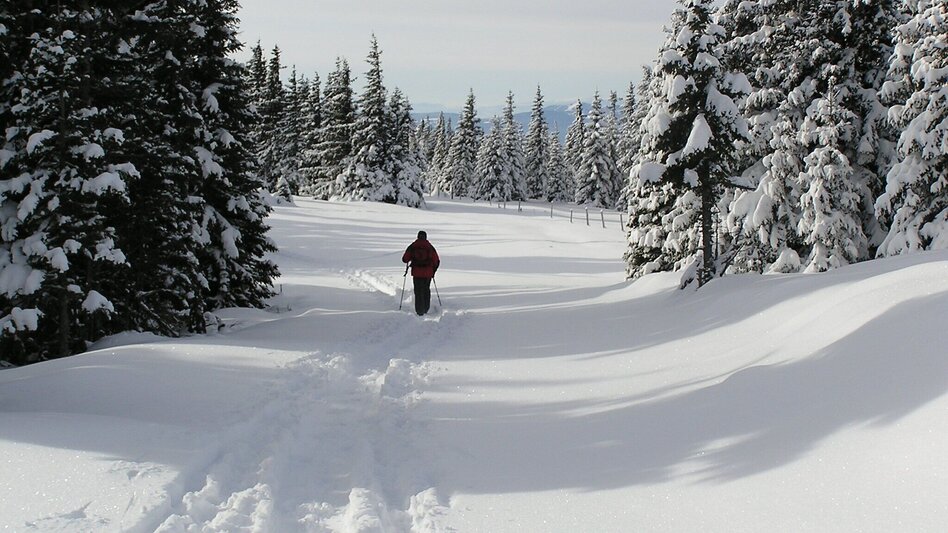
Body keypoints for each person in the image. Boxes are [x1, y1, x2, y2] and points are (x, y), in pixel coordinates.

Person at [402, 230, 440, 315]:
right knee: (426, 290)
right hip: (428, 273)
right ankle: (426, 308)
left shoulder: (413, 246)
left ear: (418, 236)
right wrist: (433, 271)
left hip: (416, 273)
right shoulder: (430, 247)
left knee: (418, 291)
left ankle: (419, 311)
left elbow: (404, 259)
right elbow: (436, 261)